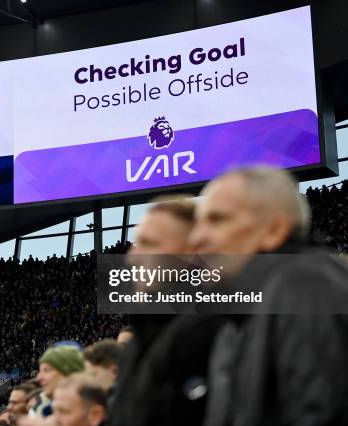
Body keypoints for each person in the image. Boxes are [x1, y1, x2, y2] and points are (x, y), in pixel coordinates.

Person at [189, 166, 348, 426]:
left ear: (274, 230)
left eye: (217, 220)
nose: (196, 238)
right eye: (198, 224)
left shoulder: (306, 287)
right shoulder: (238, 316)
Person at [110, 197, 227, 426]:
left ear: (194, 251)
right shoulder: (141, 339)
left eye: (149, 243)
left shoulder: (214, 329)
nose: (132, 257)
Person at [32, 346, 85, 417]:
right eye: (40, 371)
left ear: (68, 374)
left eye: (47, 370)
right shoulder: (45, 412)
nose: (39, 378)